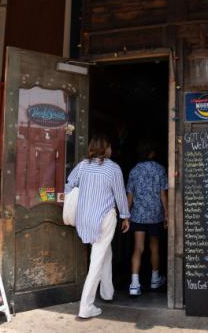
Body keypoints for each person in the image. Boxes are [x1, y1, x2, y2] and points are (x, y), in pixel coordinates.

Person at [65, 134, 130, 319]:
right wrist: (125, 216)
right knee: (97, 259)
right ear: (105, 148)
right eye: (109, 146)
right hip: (104, 218)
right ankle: (86, 306)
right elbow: (120, 195)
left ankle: (107, 292)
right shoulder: (113, 168)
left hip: (85, 218)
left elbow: (69, 185)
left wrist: (81, 200)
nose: (111, 150)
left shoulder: (83, 165)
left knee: (105, 252)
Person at [126, 139, 168, 296]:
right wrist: (167, 214)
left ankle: (134, 284)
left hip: (138, 216)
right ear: (151, 153)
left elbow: (129, 196)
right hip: (155, 216)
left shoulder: (134, 170)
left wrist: (126, 215)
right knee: (154, 247)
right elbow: (163, 195)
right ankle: (155, 279)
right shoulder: (160, 169)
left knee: (138, 248)